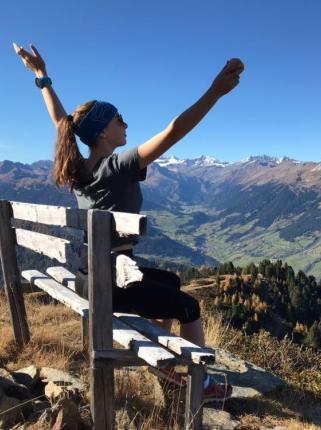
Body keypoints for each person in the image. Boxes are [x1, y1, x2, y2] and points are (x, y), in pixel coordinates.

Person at [13, 42, 244, 401]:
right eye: (119, 118)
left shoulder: (78, 169)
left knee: (170, 280)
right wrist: (214, 93)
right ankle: (202, 384)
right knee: (189, 307)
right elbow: (172, 131)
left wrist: (42, 78)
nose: (126, 124)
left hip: (92, 277)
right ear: (104, 131)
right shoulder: (116, 167)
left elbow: (63, 124)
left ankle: (166, 366)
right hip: (112, 285)